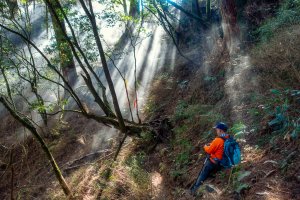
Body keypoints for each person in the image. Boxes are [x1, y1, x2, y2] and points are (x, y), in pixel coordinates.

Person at [190, 122, 230, 195]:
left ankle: (194, 191)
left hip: (213, 163)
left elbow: (209, 150)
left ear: (220, 130)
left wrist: (205, 146)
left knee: (202, 175)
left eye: (217, 130)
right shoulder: (228, 139)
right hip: (221, 164)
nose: (216, 131)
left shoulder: (218, 140)